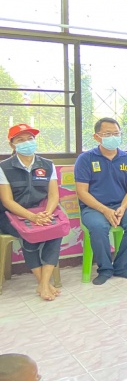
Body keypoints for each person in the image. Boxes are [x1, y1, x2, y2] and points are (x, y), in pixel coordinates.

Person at [75, 118, 127, 285]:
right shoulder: (85, 159)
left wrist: (123, 207)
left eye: (116, 133)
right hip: (93, 208)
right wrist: (105, 210)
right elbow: (82, 192)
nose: (113, 137)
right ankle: (105, 269)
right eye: (107, 134)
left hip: (122, 206)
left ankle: (121, 266)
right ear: (97, 137)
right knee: (98, 227)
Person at [0, 125, 63, 301]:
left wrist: (47, 214)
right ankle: (43, 283)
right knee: (29, 234)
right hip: (11, 215)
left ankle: (44, 283)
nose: (26, 143)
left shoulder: (47, 165)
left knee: (56, 231)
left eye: (30, 139)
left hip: (42, 212)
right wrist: (32, 217)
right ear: (12, 145)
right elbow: (7, 201)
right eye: (20, 140)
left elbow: (53, 195)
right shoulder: (4, 167)